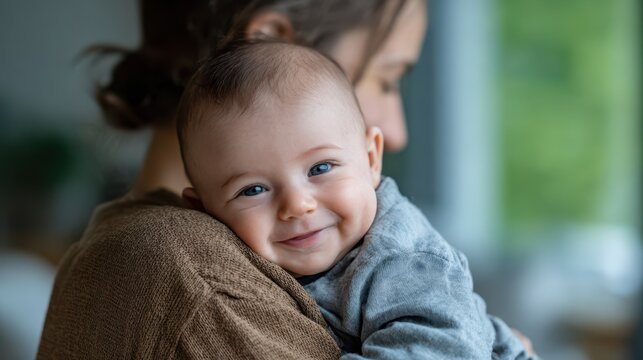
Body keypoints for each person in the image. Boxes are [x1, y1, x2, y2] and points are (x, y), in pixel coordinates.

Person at [38, 0, 428, 359]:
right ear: (272, 38)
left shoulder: (125, 249)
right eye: (386, 79)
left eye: (319, 168)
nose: (397, 132)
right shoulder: (197, 279)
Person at [176, 39, 537, 359]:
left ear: (371, 159)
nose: (298, 205)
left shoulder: (403, 261)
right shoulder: (225, 272)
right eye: (253, 190)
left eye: (320, 168)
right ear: (202, 211)